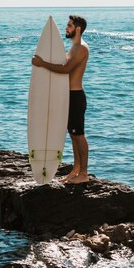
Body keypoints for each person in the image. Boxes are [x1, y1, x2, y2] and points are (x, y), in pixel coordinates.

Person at [32, 15, 90, 184]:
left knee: (79, 135)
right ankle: (76, 170)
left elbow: (66, 69)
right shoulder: (73, 47)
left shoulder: (81, 48)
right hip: (68, 96)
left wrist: (42, 64)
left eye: (69, 25)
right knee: (73, 135)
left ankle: (84, 174)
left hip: (76, 96)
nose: (66, 28)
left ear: (77, 29)